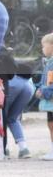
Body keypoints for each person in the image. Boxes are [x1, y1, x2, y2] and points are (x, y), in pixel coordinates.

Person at [36, 33, 53, 161]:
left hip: (51, 99)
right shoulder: (48, 62)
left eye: (44, 46)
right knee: (50, 124)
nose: (42, 49)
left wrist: (44, 91)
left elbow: (50, 82)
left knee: (52, 124)